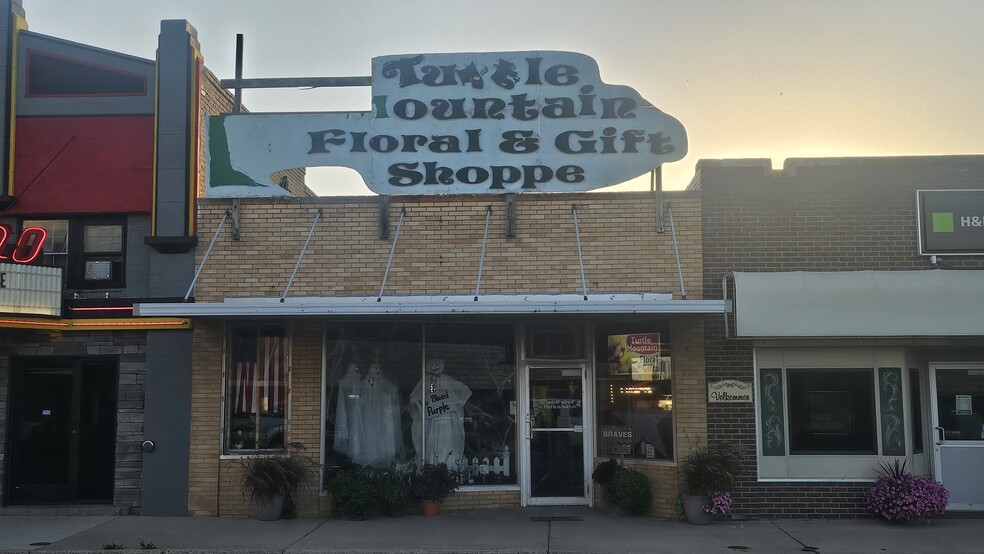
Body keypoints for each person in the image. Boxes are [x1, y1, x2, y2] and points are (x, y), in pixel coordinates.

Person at [409, 358, 472, 465]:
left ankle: (445, 462)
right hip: (429, 417)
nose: (434, 366)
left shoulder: (447, 379)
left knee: (446, 439)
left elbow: (462, 389)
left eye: (436, 364)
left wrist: (455, 400)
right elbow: (414, 396)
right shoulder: (425, 381)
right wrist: (417, 401)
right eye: (432, 364)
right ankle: (429, 463)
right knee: (428, 438)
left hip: (445, 417)